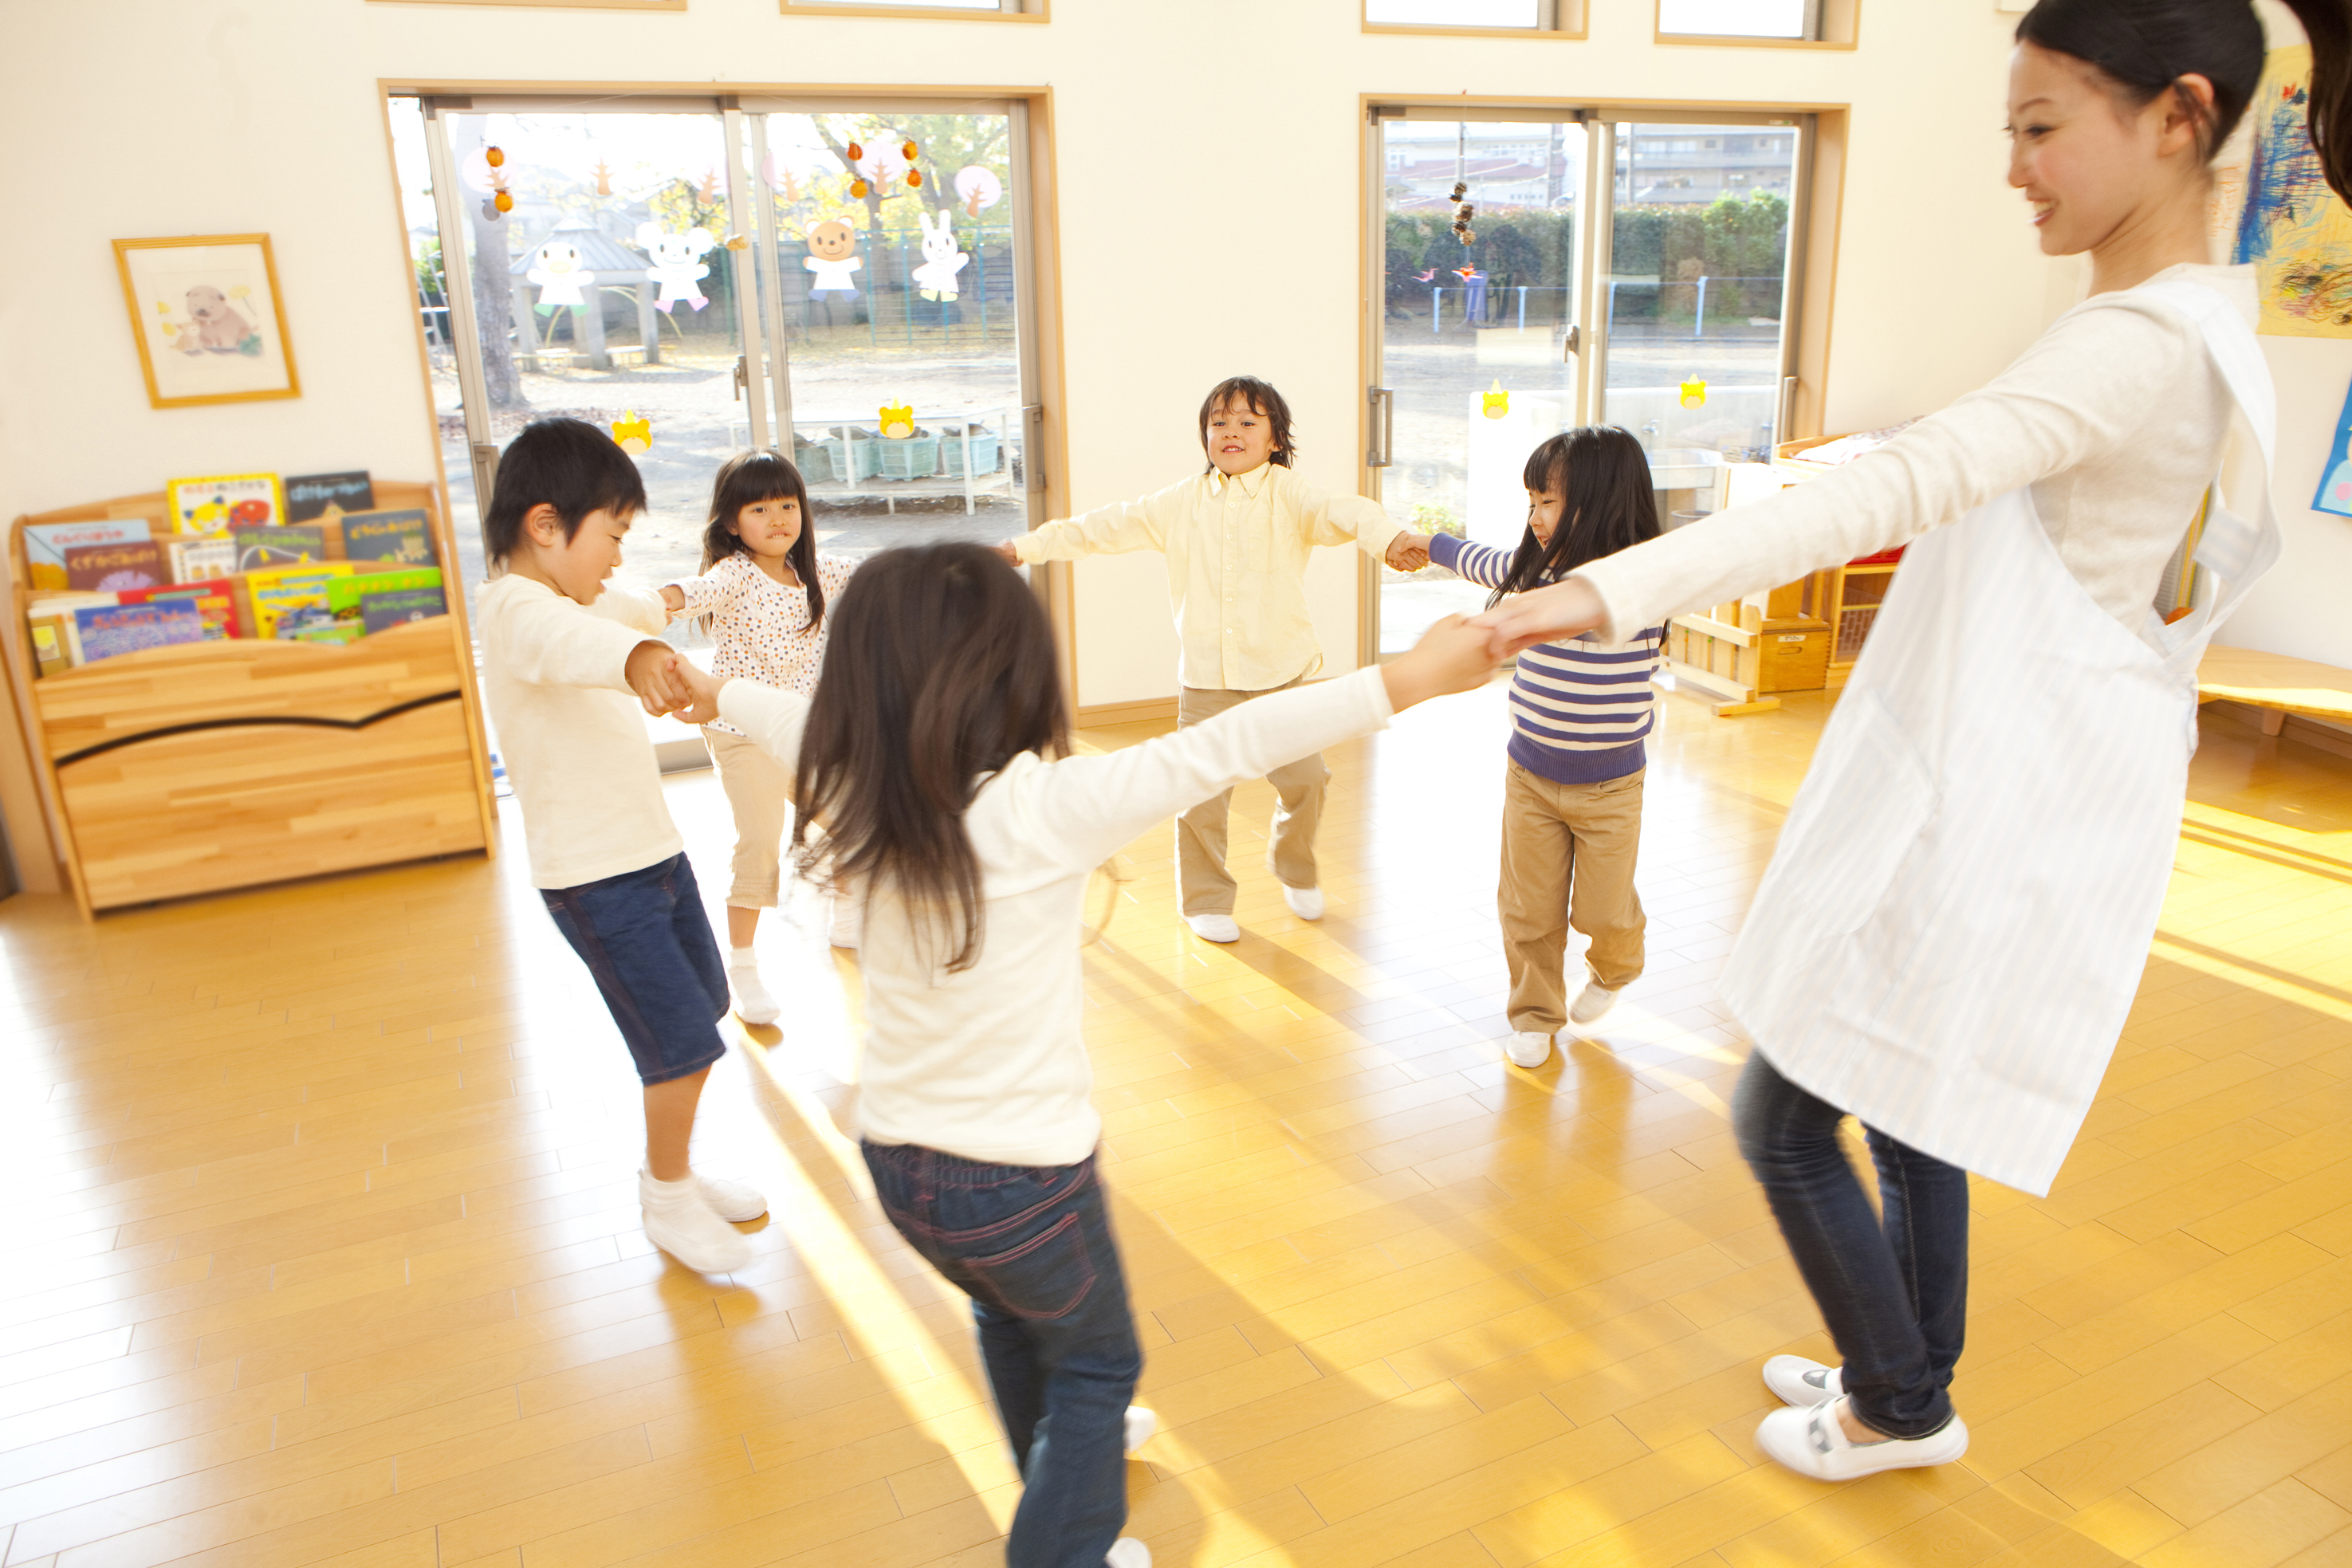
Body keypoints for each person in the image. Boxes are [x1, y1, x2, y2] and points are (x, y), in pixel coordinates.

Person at [1478, 0, 2346, 1483]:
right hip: (2010, 773)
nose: (2014, 166)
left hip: (1988, 793)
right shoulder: (2193, 320)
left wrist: (1584, 595)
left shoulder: (2136, 346)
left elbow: (1891, 488)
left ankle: (1896, 1402)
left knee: (1785, 1113)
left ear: (2179, 117)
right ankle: (1906, 1363)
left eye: (2040, 126)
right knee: (1910, 1094)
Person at [667, 544, 1500, 1568]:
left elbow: (757, 705)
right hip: (1023, 1177)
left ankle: (1057, 1501)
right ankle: (1062, 1542)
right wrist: (1411, 675)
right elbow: (1229, 742)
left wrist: (701, 683)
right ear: (1011, 674)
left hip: (900, 1164)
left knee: (1011, 1318)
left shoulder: (847, 763)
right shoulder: (1043, 808)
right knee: (1099, 1365)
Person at [474, 418, 767, 1275]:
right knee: (680, 1042)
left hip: (652, 853)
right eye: (611, 534)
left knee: (706, 1004)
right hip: (594, 879)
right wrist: (639, 653)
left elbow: (628, 606)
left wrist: (676, 605)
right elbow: (580, 642)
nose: (615, 554)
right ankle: (666, 1195)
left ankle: (673, 1169)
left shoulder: (577, 594)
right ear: (543, 525)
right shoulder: (515, 607)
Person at [992, 376, 1431, 943]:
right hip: (1207, 679)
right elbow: (1100, 527)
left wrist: (1391, 539)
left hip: (1284, 674)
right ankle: (1205, 898)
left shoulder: (1292, 493)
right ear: (1204, 435)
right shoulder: (1178, 503)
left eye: (1248, 421)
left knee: (1308, 782)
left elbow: (1348, 512)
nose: (1231, 431)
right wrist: (1022, 548)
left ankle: (1294, 865)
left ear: (1275, 438)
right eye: (1219, 422)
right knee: (1198, 795)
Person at [1391, 427, 1665, 1070]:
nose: (1535, 519)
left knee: (1603, 908)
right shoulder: (1533, 570)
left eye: (1547, 502)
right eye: (1531, 503)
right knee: (1528, 908)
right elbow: (1480, 560)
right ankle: (1536, 1013)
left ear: (1601, 500)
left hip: (1611, 787)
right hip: (1532, 775)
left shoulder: (1645, 583)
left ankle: (1617, 964)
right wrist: (1426, 543)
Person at [659, 450, 861, 1018]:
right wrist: (657, 602)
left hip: (798, 728)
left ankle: (847, 920)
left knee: (851, 816)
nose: (778, 517)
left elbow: (874, 570)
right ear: (731, 522)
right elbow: (688, 594)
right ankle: (744, 968)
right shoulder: (735, 574)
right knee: (759, 841)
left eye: (788, 504)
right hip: (741, 731)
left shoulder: (811, 571)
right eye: (759, 507)